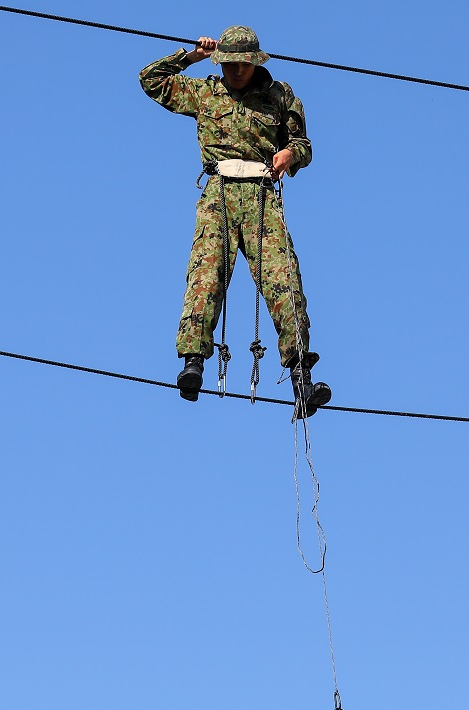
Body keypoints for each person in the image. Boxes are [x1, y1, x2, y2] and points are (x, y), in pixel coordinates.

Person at [139, 25, 331, 417]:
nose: (236, 71)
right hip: (220, 192)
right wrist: (190, 57)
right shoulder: (206, 91)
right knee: (205, 277)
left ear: (254, 62)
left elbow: (304, 144)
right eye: (229, 64)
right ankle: (193, 363)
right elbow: (150, 80)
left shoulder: (280, 96)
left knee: (283, 280)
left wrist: (289, 155)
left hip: (261, 194)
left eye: (242, 64)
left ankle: (300, 377)